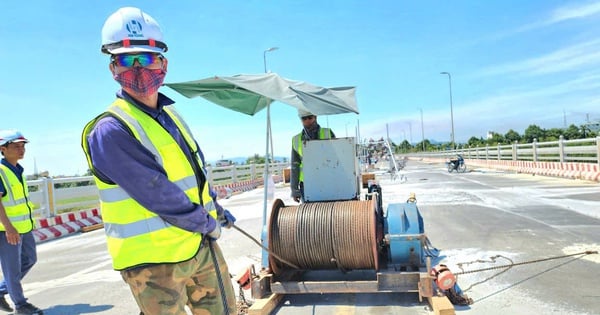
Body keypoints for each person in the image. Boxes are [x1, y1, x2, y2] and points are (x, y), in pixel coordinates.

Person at [80, 7, 236, 315]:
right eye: (127, 60)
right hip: (153, 265)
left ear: (164, 64)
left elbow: (194, 176)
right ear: (112, 68)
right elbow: (156, 191)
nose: (138, 68)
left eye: (147, 59)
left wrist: (216, 209)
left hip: (196, 246)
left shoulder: (171, 117)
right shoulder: (111, 130)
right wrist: (207, 223)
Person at [0, 130, 44, 315]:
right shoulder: (1, 171)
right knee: (12, 269)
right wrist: (9, 228)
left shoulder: (17, 170)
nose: (21, 149)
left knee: (29, 259)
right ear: (3, 149)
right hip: (7, 230)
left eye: (23, 146)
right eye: (16, 146)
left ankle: (1, 290)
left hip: (23, 228)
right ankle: (21, 305)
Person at [290, 109, 335, 202]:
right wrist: (294, 190)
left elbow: (338, 158)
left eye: (310, 117)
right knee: (309, 214)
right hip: (306, 184)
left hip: (327, 180)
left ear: (315, 117)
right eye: (304, 118)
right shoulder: (296, 139)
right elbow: (294, 166)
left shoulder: (327, 133)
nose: (307, 121)